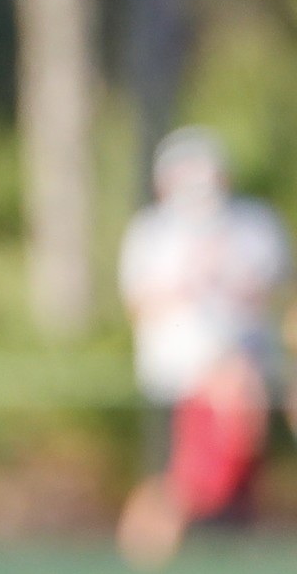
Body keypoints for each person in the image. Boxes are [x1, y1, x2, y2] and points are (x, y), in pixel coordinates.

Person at [115, 126, 291, 569]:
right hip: (185, 377)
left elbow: (273, 296)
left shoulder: (254, 225)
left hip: (246, 376)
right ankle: (147, 551)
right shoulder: (152, 233)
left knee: (225, 487)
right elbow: (141, 304)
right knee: (192, 485)